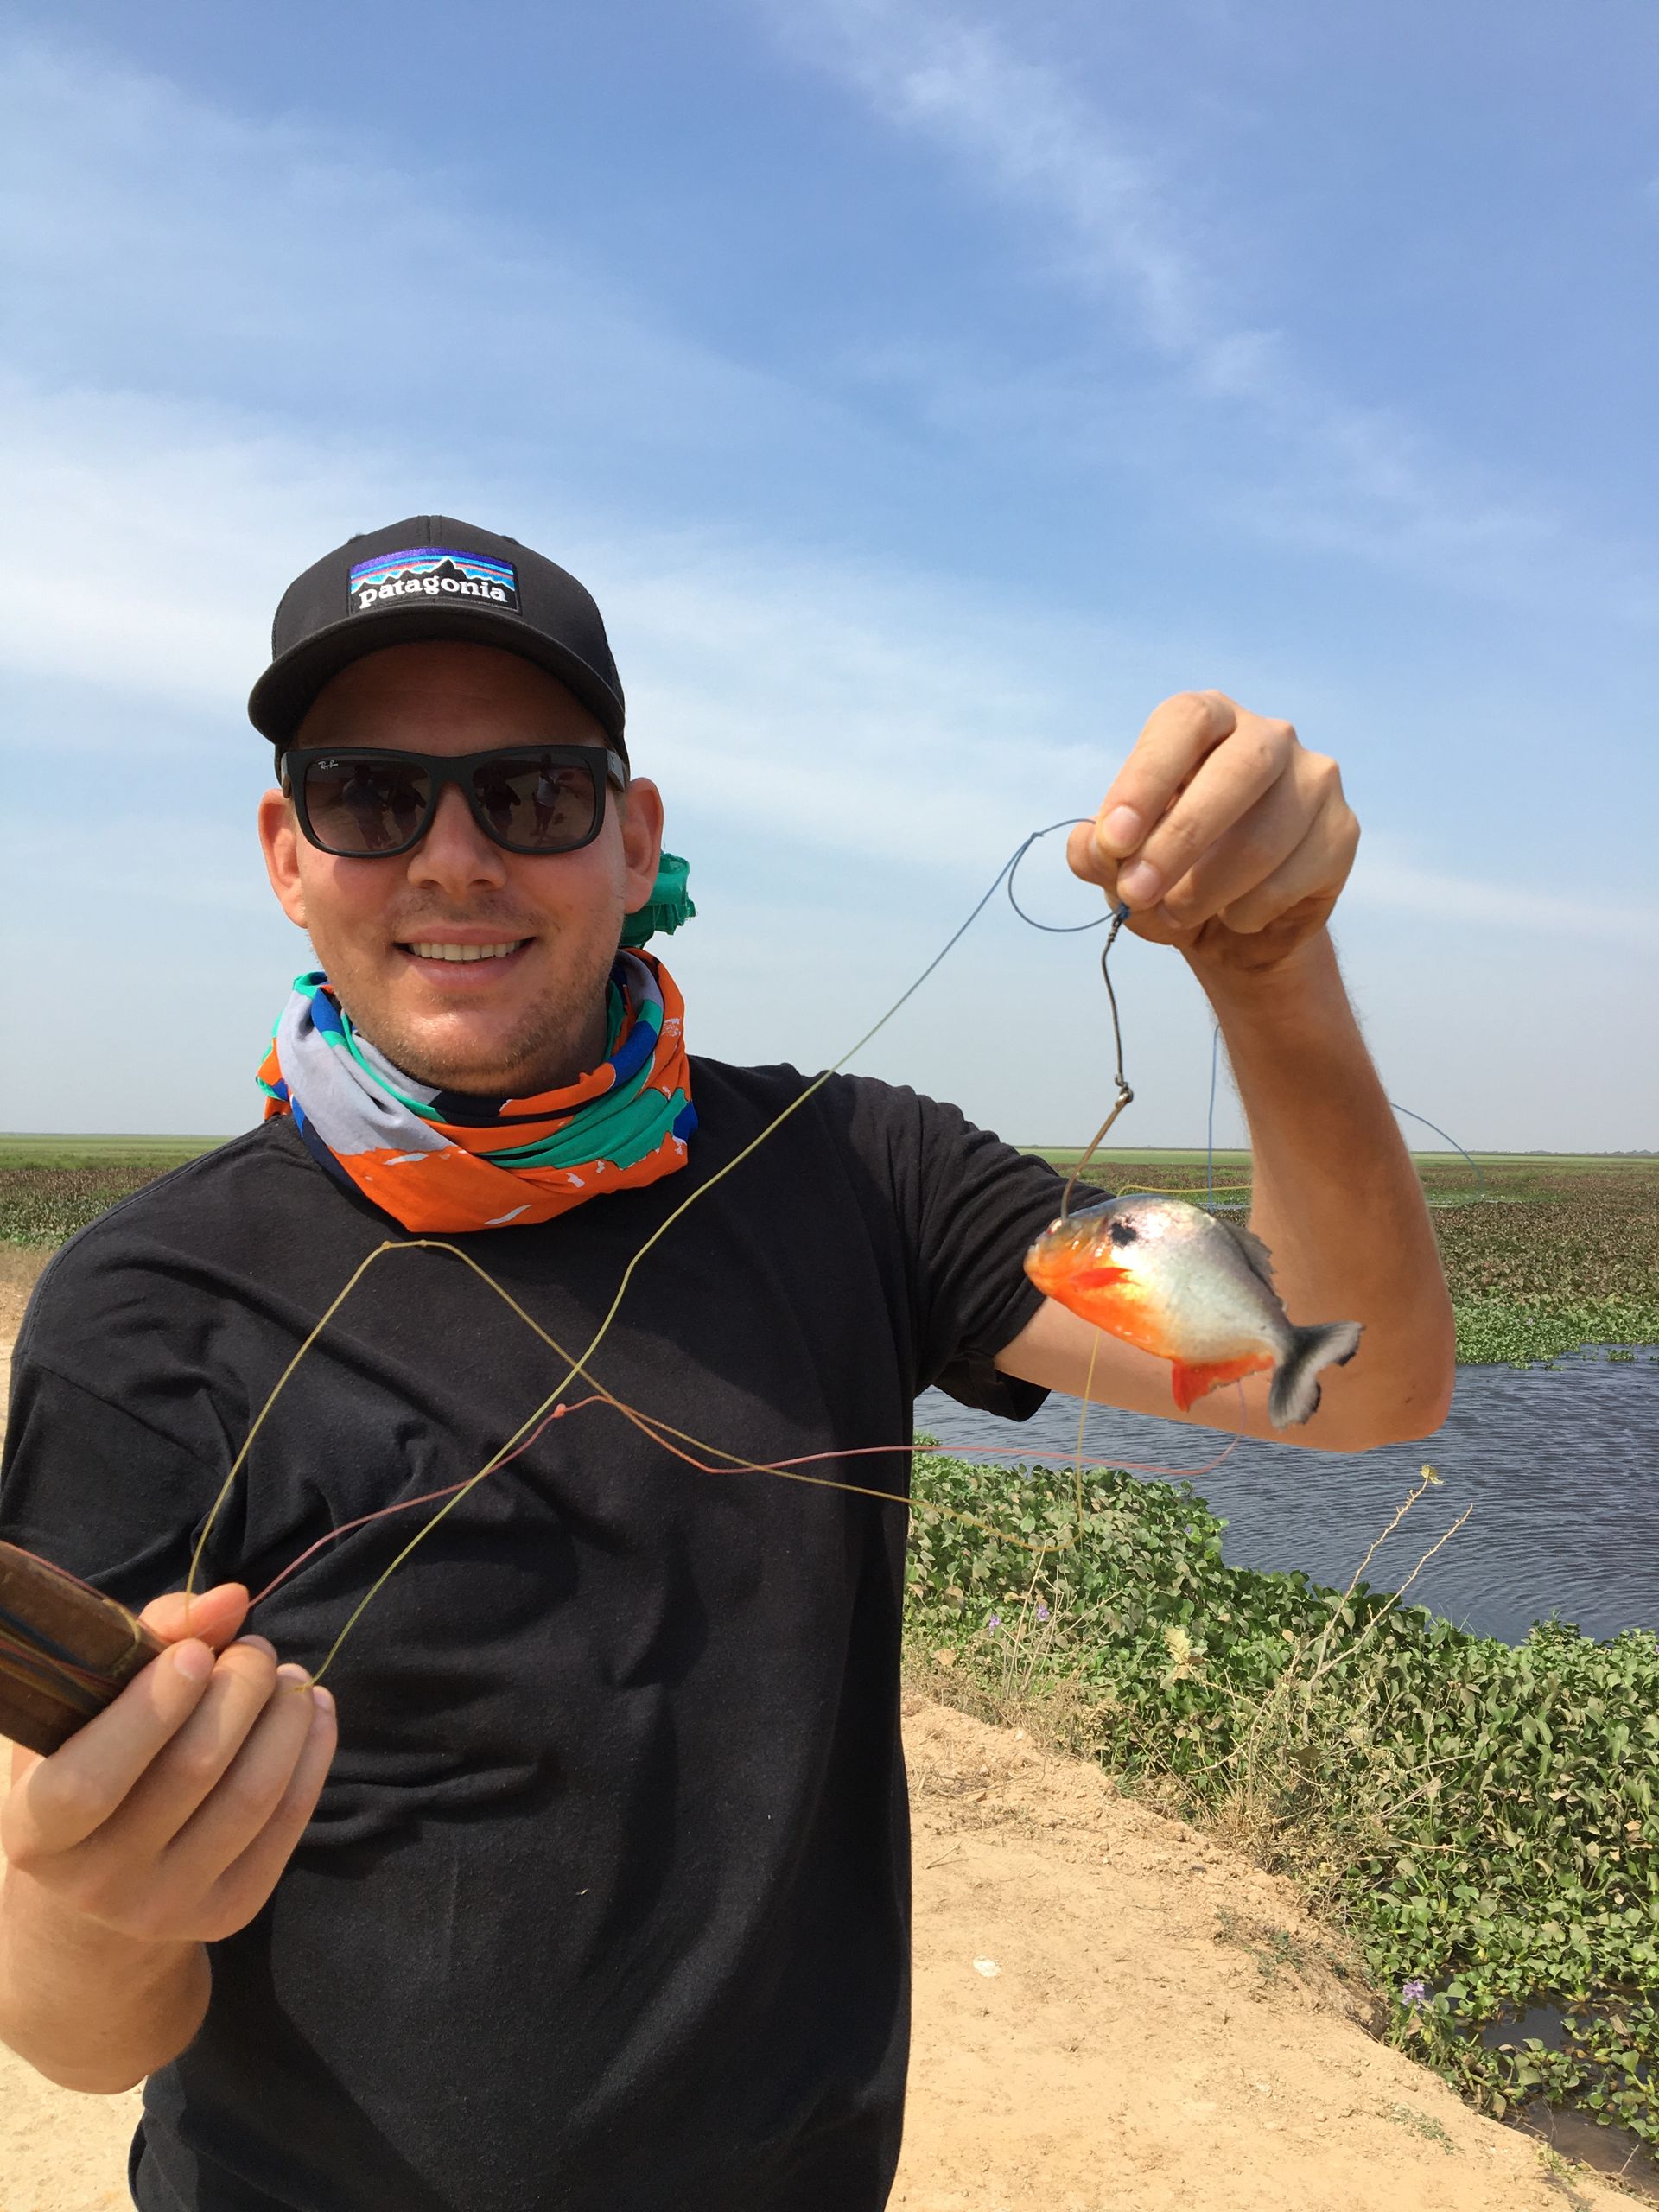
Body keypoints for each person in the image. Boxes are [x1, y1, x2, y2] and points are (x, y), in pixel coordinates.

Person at [0, 515, 1453, 2212]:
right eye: (371, 796)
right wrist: (98, 1901)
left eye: (530, 794)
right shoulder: (141, 1304)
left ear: (634, 838)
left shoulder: (869, 1179)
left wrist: (1274, 977)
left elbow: (1343, 1378)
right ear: (288, 850)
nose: (452, 856)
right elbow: (84, 2032)